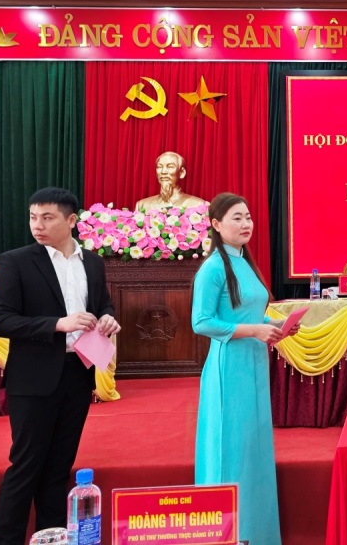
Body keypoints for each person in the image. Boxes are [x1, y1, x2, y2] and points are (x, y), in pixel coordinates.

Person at [0, 187, 120, 545]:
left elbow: (103, 304)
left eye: (47, 218)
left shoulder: (92, 261)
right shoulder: (16, 261)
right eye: (33, 217)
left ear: (71, 220)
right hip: (33, 379)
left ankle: (52, 537)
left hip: (78, 373)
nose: (37, 225)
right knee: (26, 466)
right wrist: (57, 324)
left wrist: (108, 318)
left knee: (59, 467)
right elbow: (0, 319)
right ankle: (7, 540)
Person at [192, 192, 299, 545]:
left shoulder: (244, 262)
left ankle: (257, 532)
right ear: (216, 224)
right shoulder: (212, 268)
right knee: (231, 448)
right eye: (236, 218)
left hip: (254, 363)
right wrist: (254, 330)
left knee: (254, 447)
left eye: (248, 217)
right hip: (229, 367)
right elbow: (202, 322)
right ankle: (228, 534)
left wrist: (274, 325)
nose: (245, 224)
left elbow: (248, 312)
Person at [134, 151, 206, 213]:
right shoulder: (142, 205)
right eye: (159, 167)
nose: (163, 172)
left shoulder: (198, 205)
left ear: (181, 173)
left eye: (170, 167)